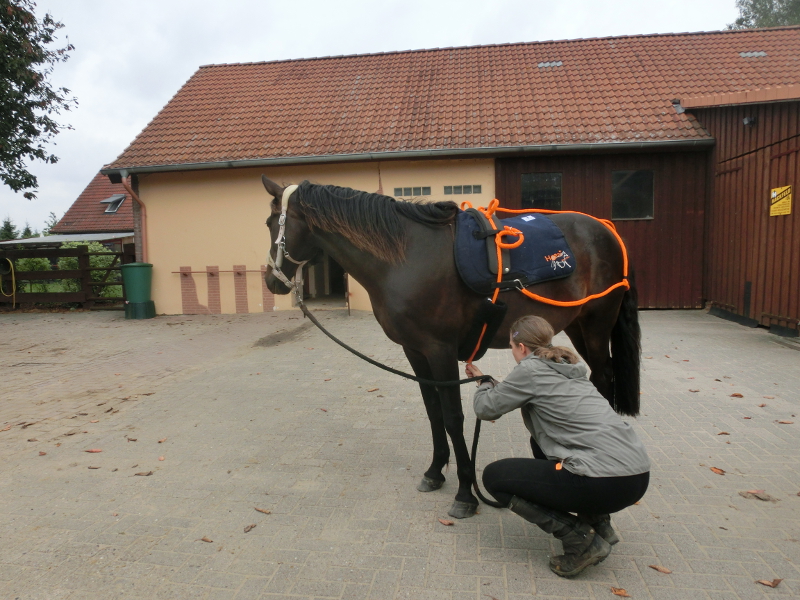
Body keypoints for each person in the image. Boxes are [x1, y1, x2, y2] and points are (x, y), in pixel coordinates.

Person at [465, 315, 650, 578]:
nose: (513, 352)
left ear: (521, 347)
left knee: (495, 477)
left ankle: (581, 540)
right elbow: (519, 392)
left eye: (511, 347)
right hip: (636, 478)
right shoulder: (566, 365)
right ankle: (598, 523)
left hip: (603, 482)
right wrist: (490, 383)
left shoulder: (529, 370)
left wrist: (484, 385)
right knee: (539, 443)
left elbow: (486, 409)